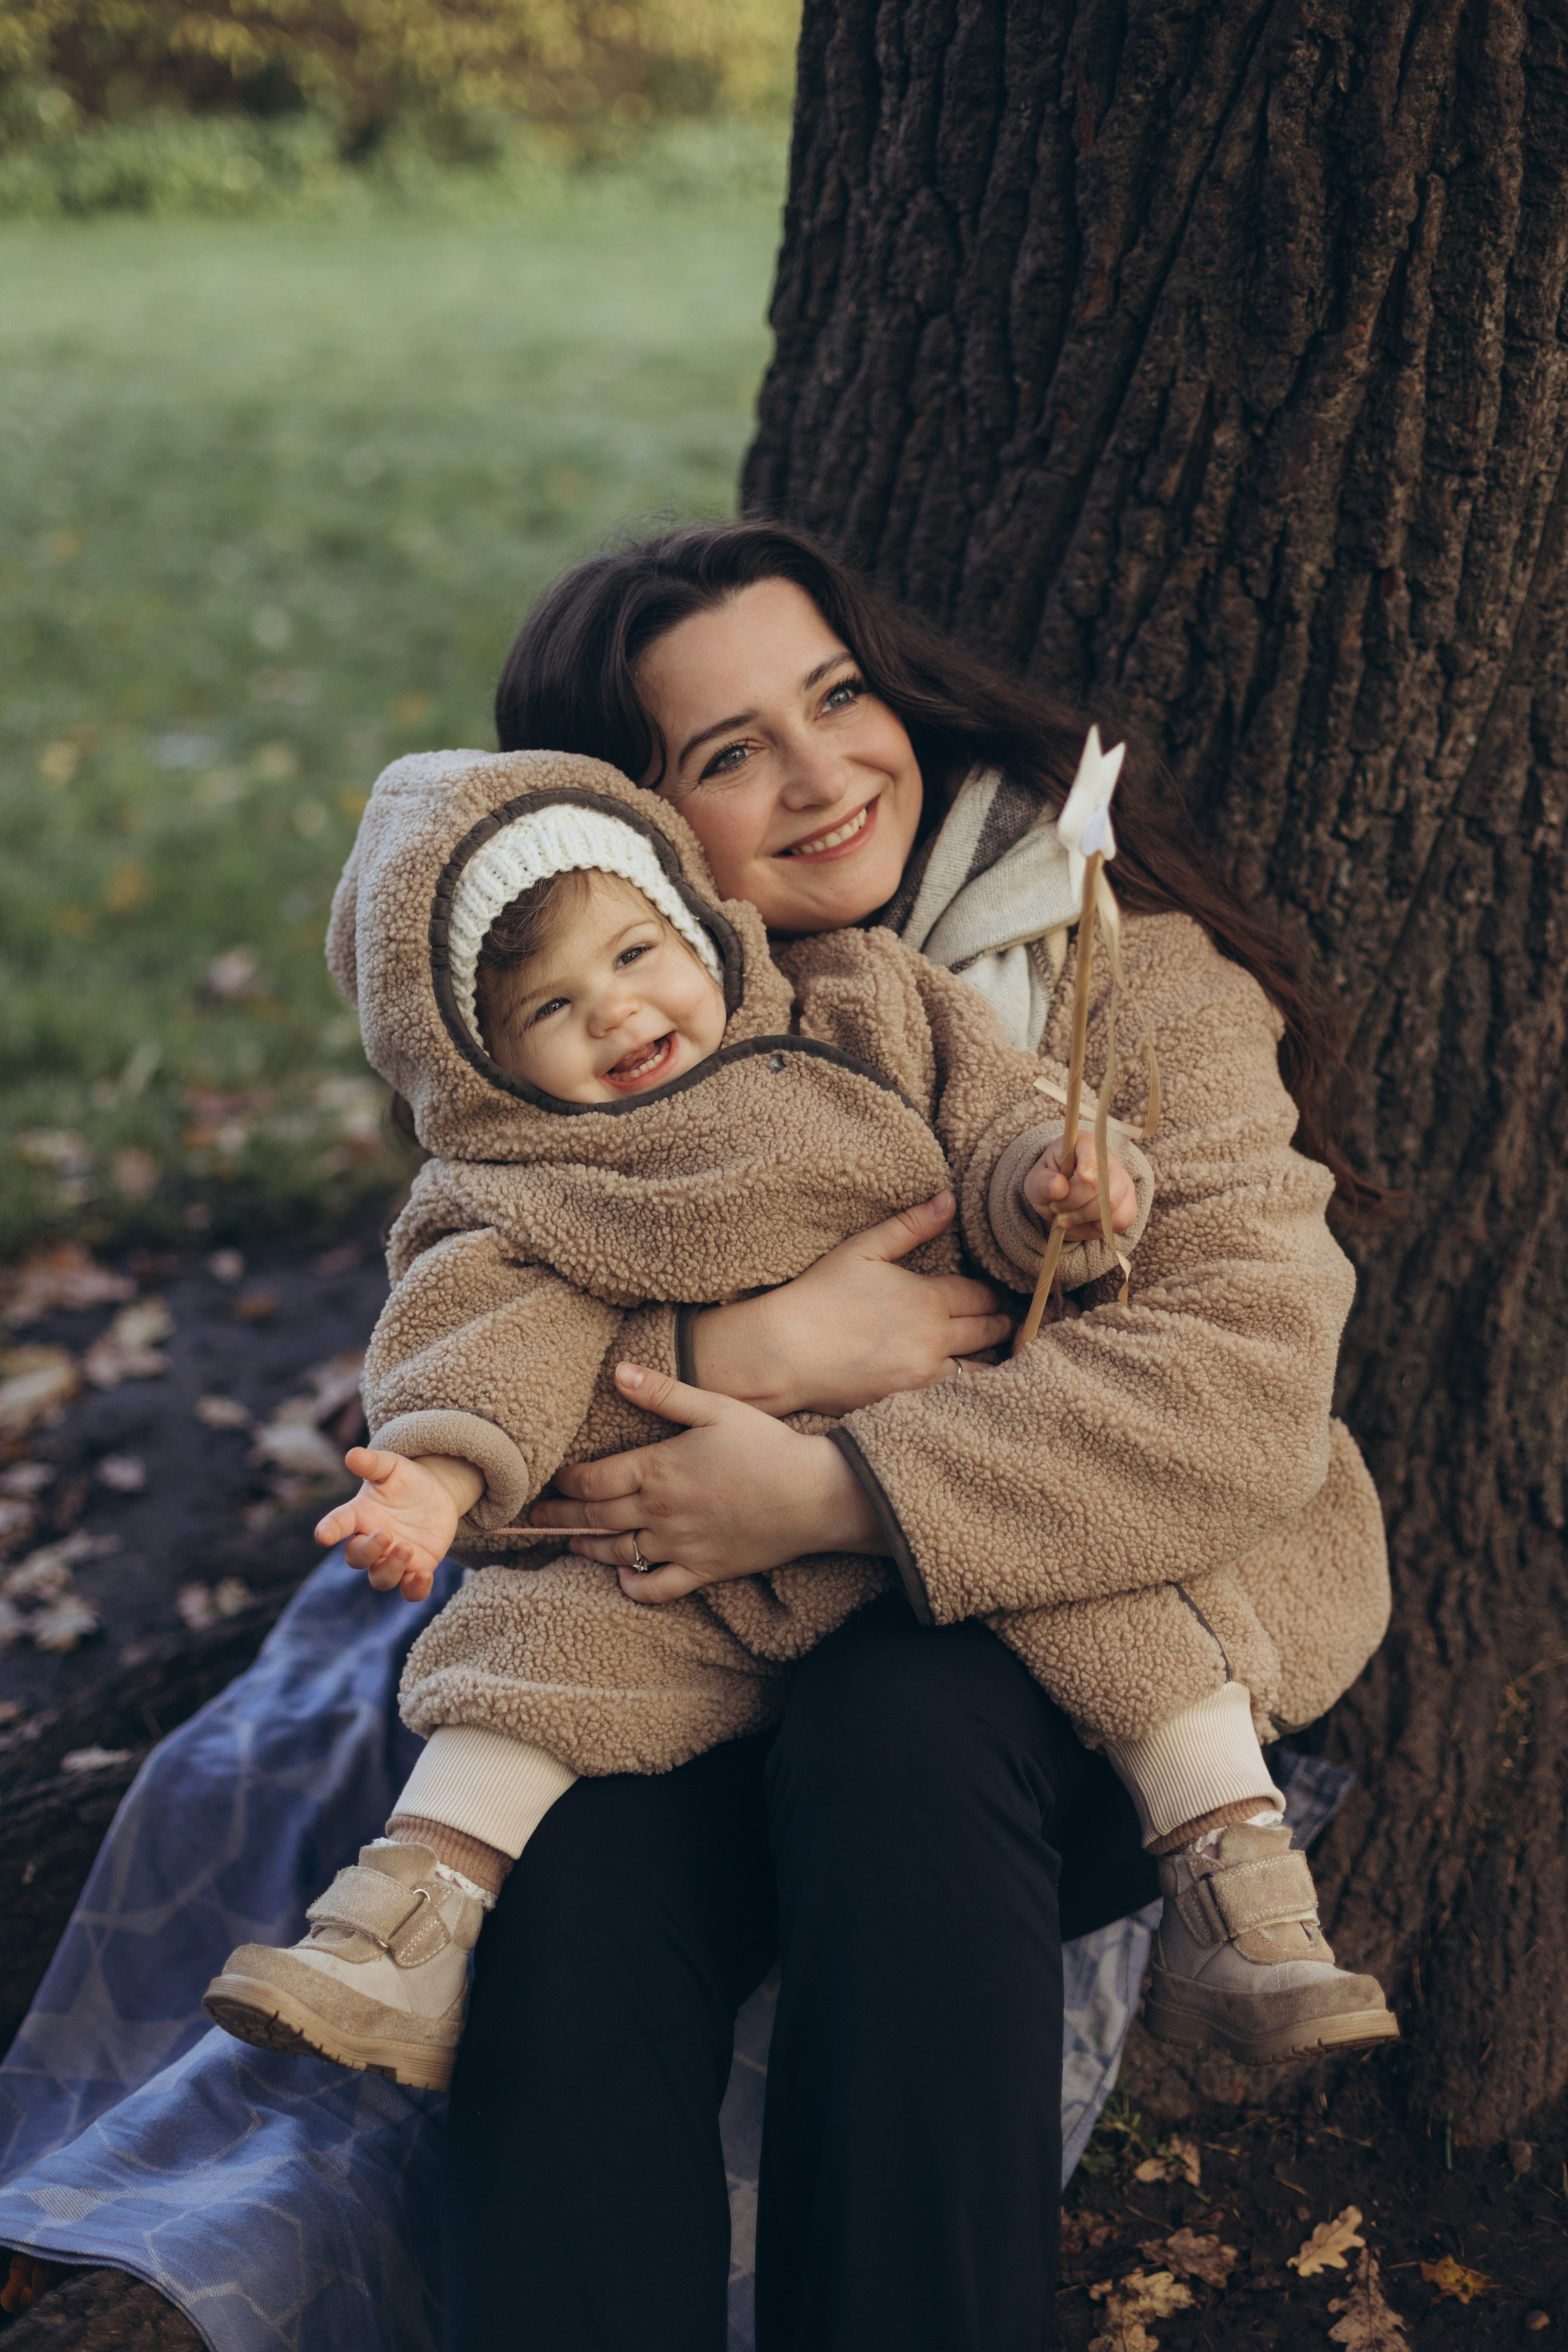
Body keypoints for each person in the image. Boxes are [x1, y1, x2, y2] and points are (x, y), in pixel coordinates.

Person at [206, 746, 1391, 2092]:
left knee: (1110, 1597)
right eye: (552, 1006)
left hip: (942, 1458)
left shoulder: (866, 1002)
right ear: (479, 1065)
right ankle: (402, 1929)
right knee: (528, 1648)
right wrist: (429, 1477)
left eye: (637, 952)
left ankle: (1239, 1910)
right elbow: (481, 1346)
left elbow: (996, 1119)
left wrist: (1056, 1182)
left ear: (696, 917)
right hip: (692, 1556)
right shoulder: (522, 1182)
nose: (615, 1011)